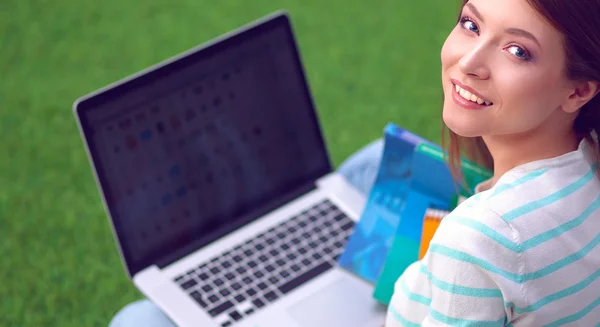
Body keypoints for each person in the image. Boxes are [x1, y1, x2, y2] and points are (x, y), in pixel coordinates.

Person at [112, 0, 600, 324]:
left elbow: (480, 247)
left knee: (139, 320)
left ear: (578, 89)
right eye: (471, 23)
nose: (469, 61)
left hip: (435, 289)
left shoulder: (475, 240)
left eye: (518, 50)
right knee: (370, 166)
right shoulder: (588, 159)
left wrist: (433, 268)